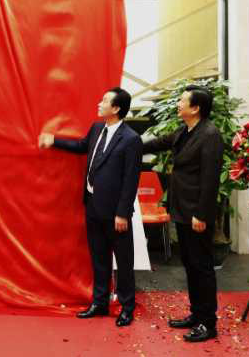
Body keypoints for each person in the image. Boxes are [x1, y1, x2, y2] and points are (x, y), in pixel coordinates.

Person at [39, 88, 142, 327]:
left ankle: (127, 307)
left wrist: (122, 213)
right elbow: (81, 146)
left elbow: (131, 180)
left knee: (124, 262)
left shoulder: (131, 139)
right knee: (99, 258)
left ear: (116, 108)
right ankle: (99, 302)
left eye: (104, 101)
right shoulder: (97, 129)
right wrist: (54, 141)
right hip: (93, 206)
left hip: (116, 213)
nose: (99, 103)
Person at [142, 85, 223, 343]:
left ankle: (208, 323)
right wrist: (128, 143)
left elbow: (210, 180)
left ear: (195, 108)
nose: (178, 104)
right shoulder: (185, 131)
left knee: (202, 267)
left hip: (196, 213)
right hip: (181, 209)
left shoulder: (210, 135)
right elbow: (159, 143)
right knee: (190, 264)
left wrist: (202, 214)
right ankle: (196, 314)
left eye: (182, 101)